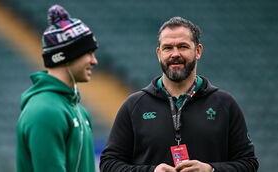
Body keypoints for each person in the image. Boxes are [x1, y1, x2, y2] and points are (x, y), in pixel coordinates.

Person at [100, 17, 258, 172]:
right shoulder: (134, 106)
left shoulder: (225, 104)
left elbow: (248, 163)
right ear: (158, 53)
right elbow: (109, 164)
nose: (175, 54)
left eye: (182, 46)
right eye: (168, 48)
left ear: (198, 51)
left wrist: (210, 169)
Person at [16, 4, 99, 172]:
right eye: (88, 53)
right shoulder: (45, 111)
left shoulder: (78, 110)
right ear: (66, 55)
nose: (94, 61)